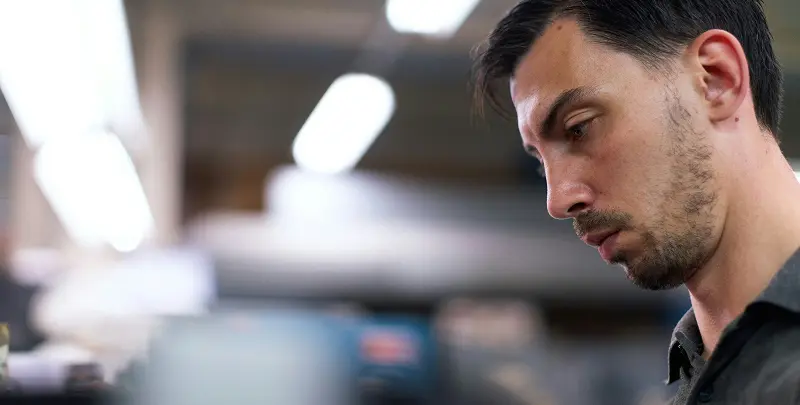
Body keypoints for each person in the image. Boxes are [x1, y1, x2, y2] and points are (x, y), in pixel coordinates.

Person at [472, 1, 798, 404]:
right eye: (540, 163)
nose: (557, 201)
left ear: (716, 79)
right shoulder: (705, 374)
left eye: (579, 128)